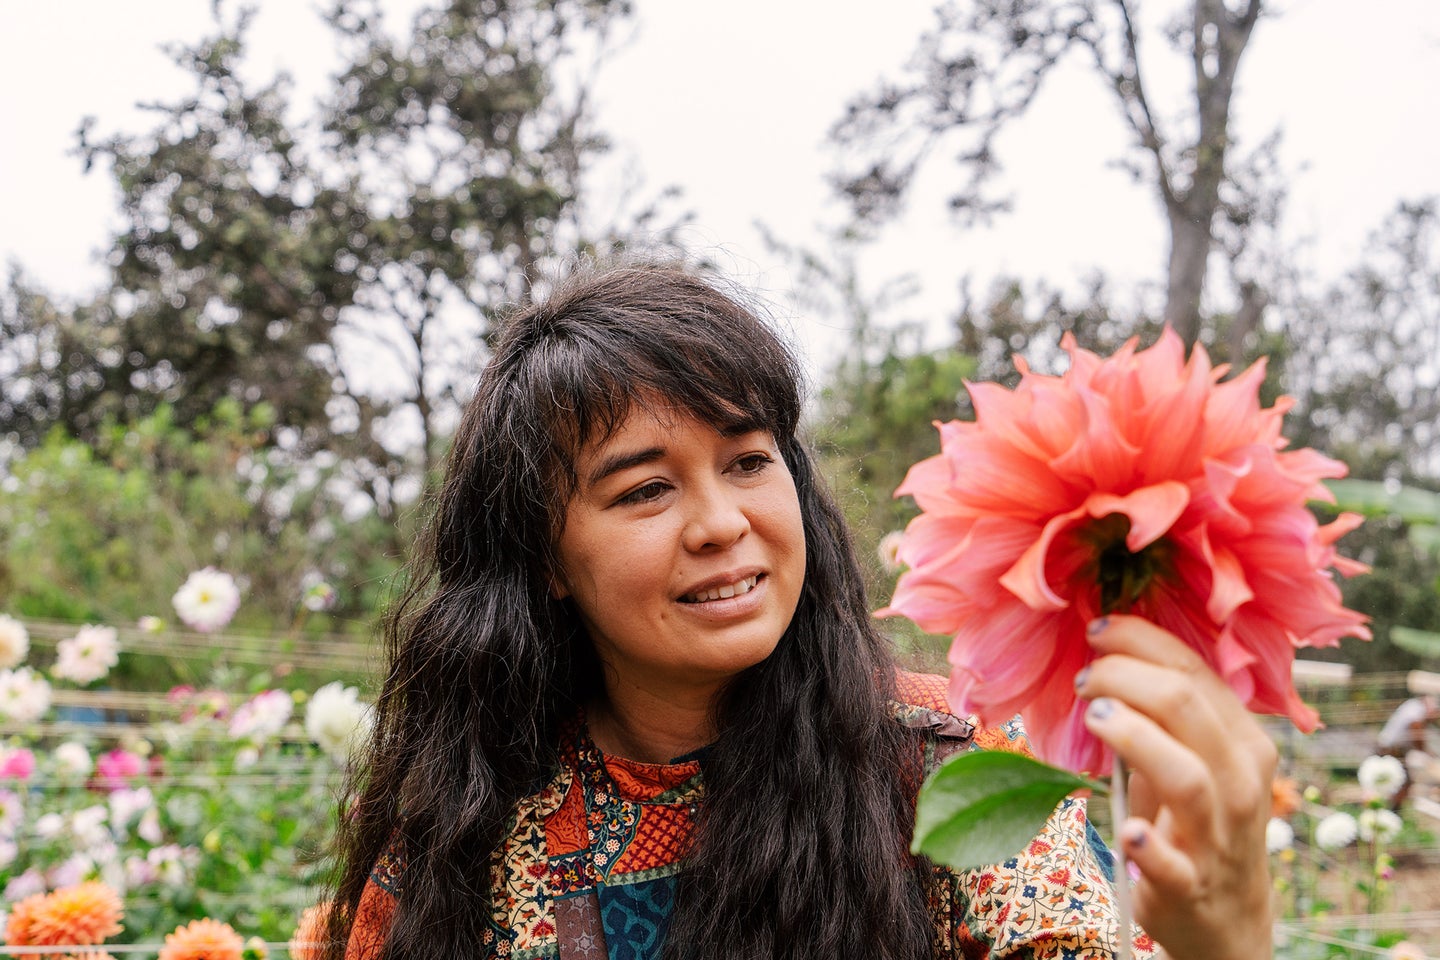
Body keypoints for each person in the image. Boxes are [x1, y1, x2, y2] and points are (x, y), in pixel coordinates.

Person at [322, 259, 1276, 960]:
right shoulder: (458, 829)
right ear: (545, 559)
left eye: (748, 462)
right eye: (645, 491)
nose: (721, 523)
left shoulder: (956, 768)